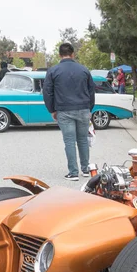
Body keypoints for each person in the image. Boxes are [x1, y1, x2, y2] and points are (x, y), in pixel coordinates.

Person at [43, 43, 96, 181]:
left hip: (64, 110)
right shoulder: (84, 70)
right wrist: (89, 108)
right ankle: (85, 169)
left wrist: (52, 110)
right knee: (83, 140)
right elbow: (91, 91)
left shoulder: (53, 71)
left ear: (59, 55)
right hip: (83, 108)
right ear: (73, 54)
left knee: (69, 141)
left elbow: (47, 92)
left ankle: (73, 172)